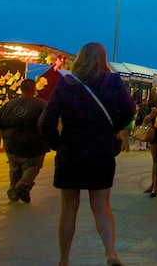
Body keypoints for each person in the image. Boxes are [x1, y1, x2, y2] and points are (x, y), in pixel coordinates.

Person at [39, 42, 136, 266]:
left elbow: (47, 119)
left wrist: (57, 144)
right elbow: (129, 110)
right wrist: (112, 129)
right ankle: (111, 253)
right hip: (101, 150)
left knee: (69, 207)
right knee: (101, 204)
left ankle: (64, 259)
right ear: (102, 58)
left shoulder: (66, 83)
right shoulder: (113, 81)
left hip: (71, 151)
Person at [0, 79, 48, 203]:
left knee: (15, 169)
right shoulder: (42, 105)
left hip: (12, 143)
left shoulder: (8, 105)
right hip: (35, 144)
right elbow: (48, 124)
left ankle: (14, 192)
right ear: (34, 89)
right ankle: (23, 184)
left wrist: (5, 140)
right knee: (33, 165)